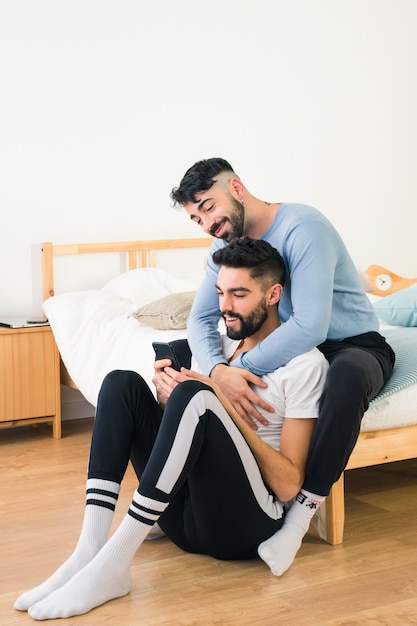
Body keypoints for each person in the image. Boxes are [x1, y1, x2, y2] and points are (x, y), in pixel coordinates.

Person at [14, 237, 328, 620]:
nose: (225, 307)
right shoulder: (214, 349)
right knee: (121, 385)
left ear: (274, 294)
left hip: (244, 528)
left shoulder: (304, 365)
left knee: (197, 393)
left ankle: (115, 560)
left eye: (239, 294)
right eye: (220, 293)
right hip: (183, 519)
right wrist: (169, 401)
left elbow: (288, 484)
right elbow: (189, 435)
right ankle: (91, 551)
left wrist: (217, 402)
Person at [170, 157, 396, 575]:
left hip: (346, 344)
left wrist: (241, 367)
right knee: (175, 355)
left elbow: (310, 326)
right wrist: (220, 372)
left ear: (236, 188)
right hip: (280, 347)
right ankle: (168, 493)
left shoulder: (303, 226)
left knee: (343, 377)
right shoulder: (224, 246)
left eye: (208, 206)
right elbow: (200, 319)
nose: (206, 224)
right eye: (195, 217)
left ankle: (300, 515)